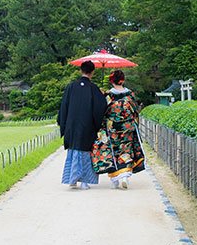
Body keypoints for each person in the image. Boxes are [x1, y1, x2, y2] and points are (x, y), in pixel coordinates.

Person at [57, 60, 107, 190]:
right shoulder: (93, 88)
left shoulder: (71, 86)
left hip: (72, 124)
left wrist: (63, 123)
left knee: (73, 150)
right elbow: (100, 107)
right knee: (85, 152)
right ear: (92, 72)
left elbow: (64, 106)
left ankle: (72, 180)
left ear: (81, 70)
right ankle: (84, 181)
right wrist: (102, 96)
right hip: (87, 125)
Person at [102, 69, 145, 189]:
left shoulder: (108, 95)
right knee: (126, 149)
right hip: (127, 127)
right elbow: (135, 110)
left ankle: (114, 181)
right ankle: (124, 176)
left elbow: (103, 110)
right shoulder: (130, 94)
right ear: (123, 80)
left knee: (114, 150)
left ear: (111, 81)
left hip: (113, 127)